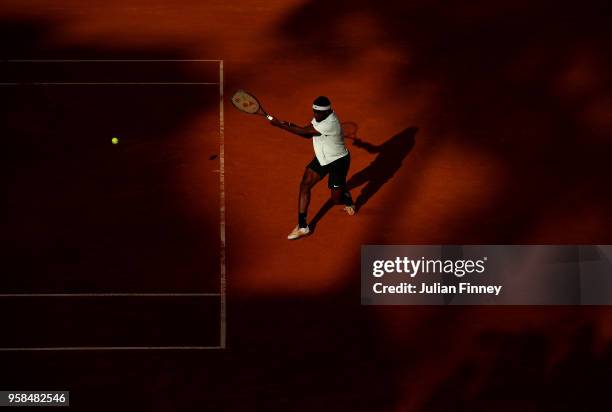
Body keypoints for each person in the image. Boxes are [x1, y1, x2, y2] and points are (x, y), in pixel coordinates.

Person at [270, 96, 355, 240]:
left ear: (327, 112)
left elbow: (303, 132)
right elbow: (306, 134)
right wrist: (286, 123)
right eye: (314, 111)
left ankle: (346, 196)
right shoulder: (320, 118)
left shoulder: (330, 123)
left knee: (335, 199)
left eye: (318, 113)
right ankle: (303, 226)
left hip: (338, 161)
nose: (315, 115)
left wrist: (280, 125)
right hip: (322, 158)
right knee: (305, 185)